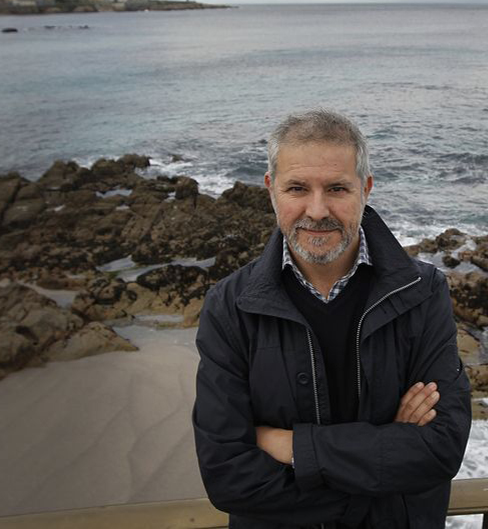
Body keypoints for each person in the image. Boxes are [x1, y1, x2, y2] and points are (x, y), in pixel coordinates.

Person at [192, 109, 471, 528]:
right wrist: (382, 466)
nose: (318, 210)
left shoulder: (422, 291)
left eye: (337, 188)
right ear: (271, 190)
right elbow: (227, 476)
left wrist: (292, 446)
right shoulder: (230, 306)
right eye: (297, 188)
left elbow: (440, 448)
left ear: (366, 188)